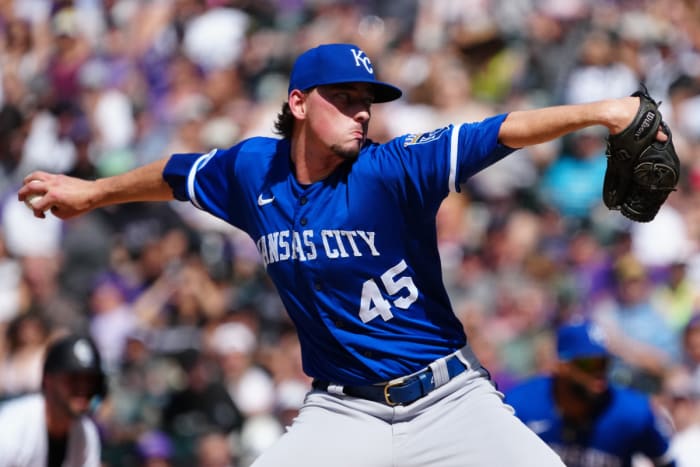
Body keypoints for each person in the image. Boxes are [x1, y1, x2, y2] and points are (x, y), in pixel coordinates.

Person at [18, 43, 668, 466]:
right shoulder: (253, 170)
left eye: (366, 100)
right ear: (298, 102)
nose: (361, 112)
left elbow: (499, 130)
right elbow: (173, 174)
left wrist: (607, 111)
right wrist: (94, 192)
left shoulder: (392, 171)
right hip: (344, 410)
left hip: (448, 399)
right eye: (345, 98)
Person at [505, 321, 676, 467]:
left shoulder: (633, 413)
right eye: (589, 364)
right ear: (562, 366)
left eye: (605, 363)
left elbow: (668, 463)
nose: (600, 373)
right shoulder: (519, 407)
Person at [0, 333, 107, 467]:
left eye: (90, 381)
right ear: (48, 380)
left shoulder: (86, 432)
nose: (83, 389)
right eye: (73, 379)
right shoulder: (12, 427)